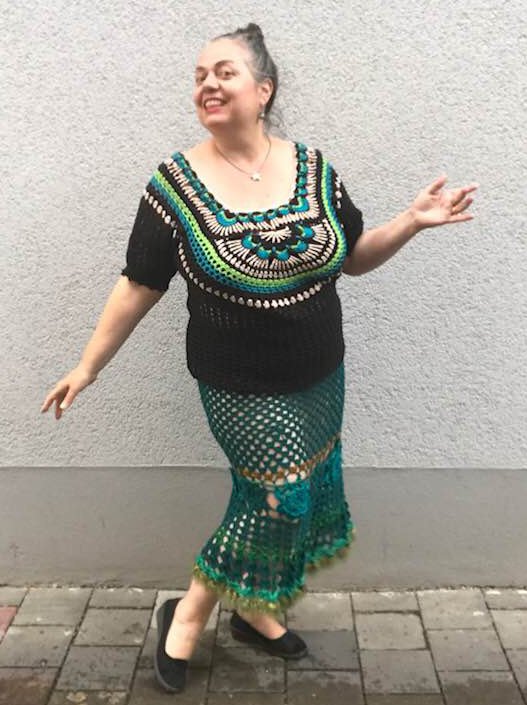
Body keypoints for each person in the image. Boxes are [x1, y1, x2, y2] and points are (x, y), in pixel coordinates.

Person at [40, 22, 478, 695]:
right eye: (199, 77)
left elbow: (354, 258)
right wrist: (87, 365)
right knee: (283, 495)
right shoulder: (174, 186)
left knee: (272, 497)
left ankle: (252, 608)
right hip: (237, 383)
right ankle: (186, 615)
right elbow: (138, 284)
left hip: (319, 372)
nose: (207, 85)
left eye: (224, 72)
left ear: (263, 89)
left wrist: (410, 223)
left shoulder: (313, 169)